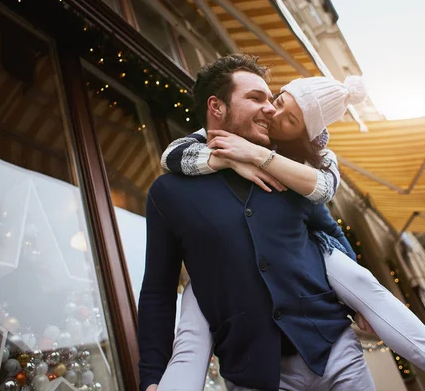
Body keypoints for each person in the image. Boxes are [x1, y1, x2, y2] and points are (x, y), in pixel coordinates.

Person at [156, 57, 425, 391]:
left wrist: (260, 157)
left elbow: (323, 199)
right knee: (190, 333)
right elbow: (172, 154)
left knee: (362, 283)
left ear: (305, 132)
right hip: (244, 310)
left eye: (289, 119)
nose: (273, 111)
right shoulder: (228, 140)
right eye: (278, 100)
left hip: (316, 259)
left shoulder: (314, 157)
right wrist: (223, 159)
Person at [138, 54, 376, 391]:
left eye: (271, 97)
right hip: (253, 374)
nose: (270, 108)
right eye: (255, 98)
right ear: (216, 107)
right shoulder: (169, 192)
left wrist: (361, 299)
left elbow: (330, 232)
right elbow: (157, 291)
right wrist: (152, 376)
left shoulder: (286, 167)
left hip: (336, 353)